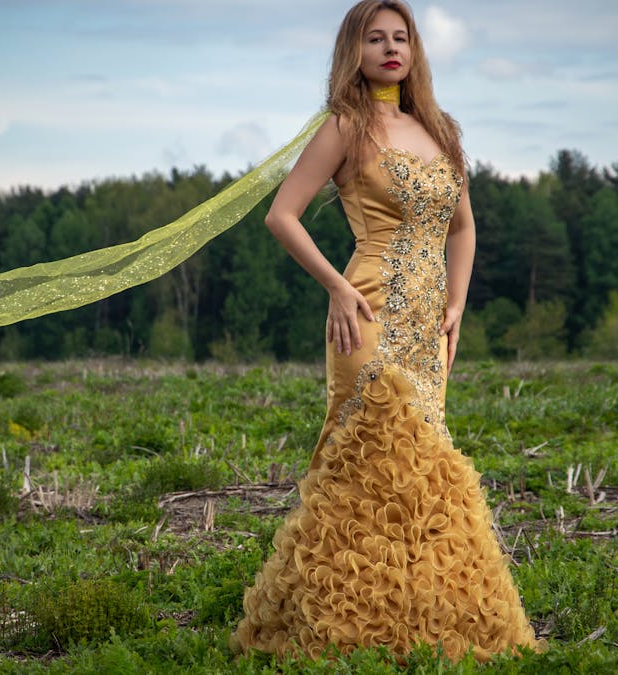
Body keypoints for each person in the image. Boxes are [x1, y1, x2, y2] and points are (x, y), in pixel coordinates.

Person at [229, 0, 543, 662]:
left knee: (424, 467)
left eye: (401, 37)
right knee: (369, 456)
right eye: (376, 38)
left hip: (430, 326)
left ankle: (422, 623)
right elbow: (282, 215)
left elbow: (463, 227)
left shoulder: (440, 128)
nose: (391, 48)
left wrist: (457, 304)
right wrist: (336, 287)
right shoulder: (345, 125)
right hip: (367, 311)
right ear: (355, 50)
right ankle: (338, 625)